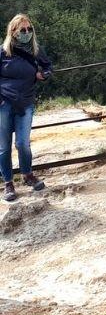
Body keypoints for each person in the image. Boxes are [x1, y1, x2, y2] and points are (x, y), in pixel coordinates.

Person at [1, 15, 52, 202]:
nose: (27, 33)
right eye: (23, 30)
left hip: (26, 102)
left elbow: (48, 66)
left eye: (29, 29)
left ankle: (27, 175)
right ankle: (8, 183)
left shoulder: (36, 50)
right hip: (4, 104)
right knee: (4, 148)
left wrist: (44, 74)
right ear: (13, 32)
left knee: (23, 143)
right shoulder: (3, 52)